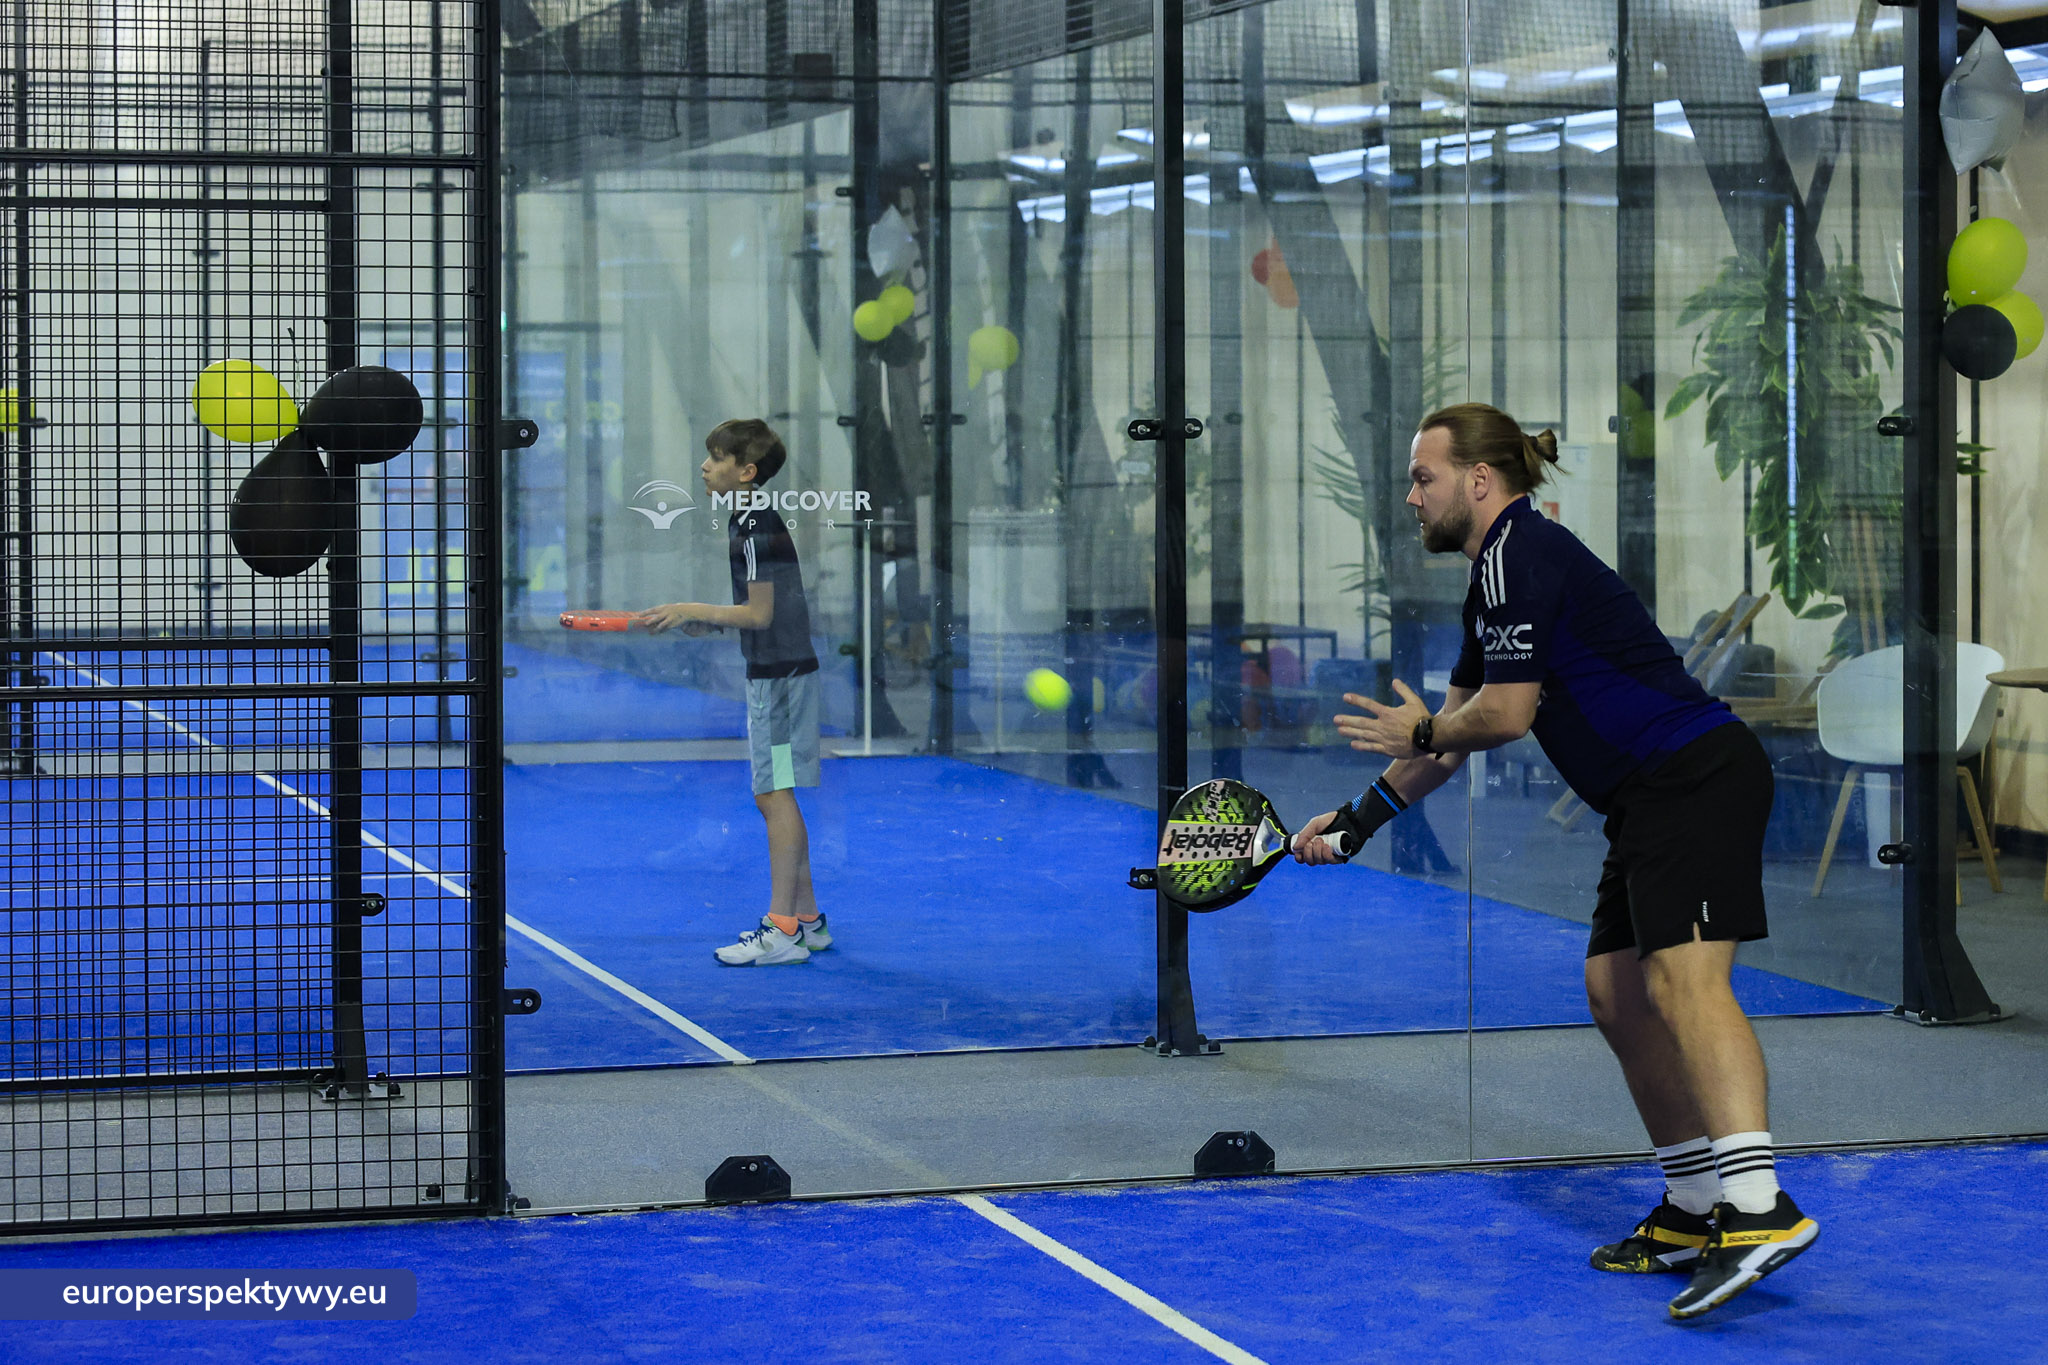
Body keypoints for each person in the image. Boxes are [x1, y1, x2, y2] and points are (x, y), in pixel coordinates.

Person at [1291, 403, 1816, 1321]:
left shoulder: (1520, 555)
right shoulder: (1492, 578)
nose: (1411, 495)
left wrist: (1420, 724)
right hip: (1648, 797)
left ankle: (1759, 1206)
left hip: (1692, 776)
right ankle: (1695, 1206)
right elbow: (1447, 745)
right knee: (1616, 991)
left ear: (1479, 481)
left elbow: (1500, 716)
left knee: (1684, 984)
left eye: (1424, 476)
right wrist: (1357, 819)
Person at [639, 418, 829, 966]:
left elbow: (760, 611)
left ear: (745, 472)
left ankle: (782, 929)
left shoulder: (753, 526)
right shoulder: (748, 520)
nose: (704, 465)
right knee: (780, 793)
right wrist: (712, 624)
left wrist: (692, 608)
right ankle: (809, 921)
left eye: (717, 458)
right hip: (782, 668)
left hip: (780, 678)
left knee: (773, 796)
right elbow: (759, 613)